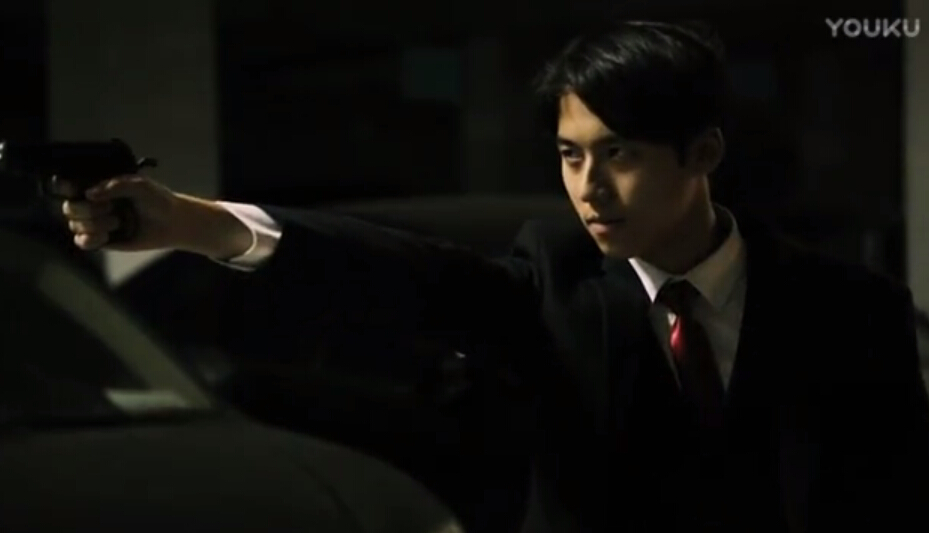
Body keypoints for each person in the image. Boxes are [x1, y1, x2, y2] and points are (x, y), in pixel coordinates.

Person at [56, 20, 929, 533]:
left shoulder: (851, 311)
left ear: (701, 153)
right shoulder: (554, 279)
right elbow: (394, 272)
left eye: (618, 155)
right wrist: (192, 224)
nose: (588, 187)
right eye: (569, 155)